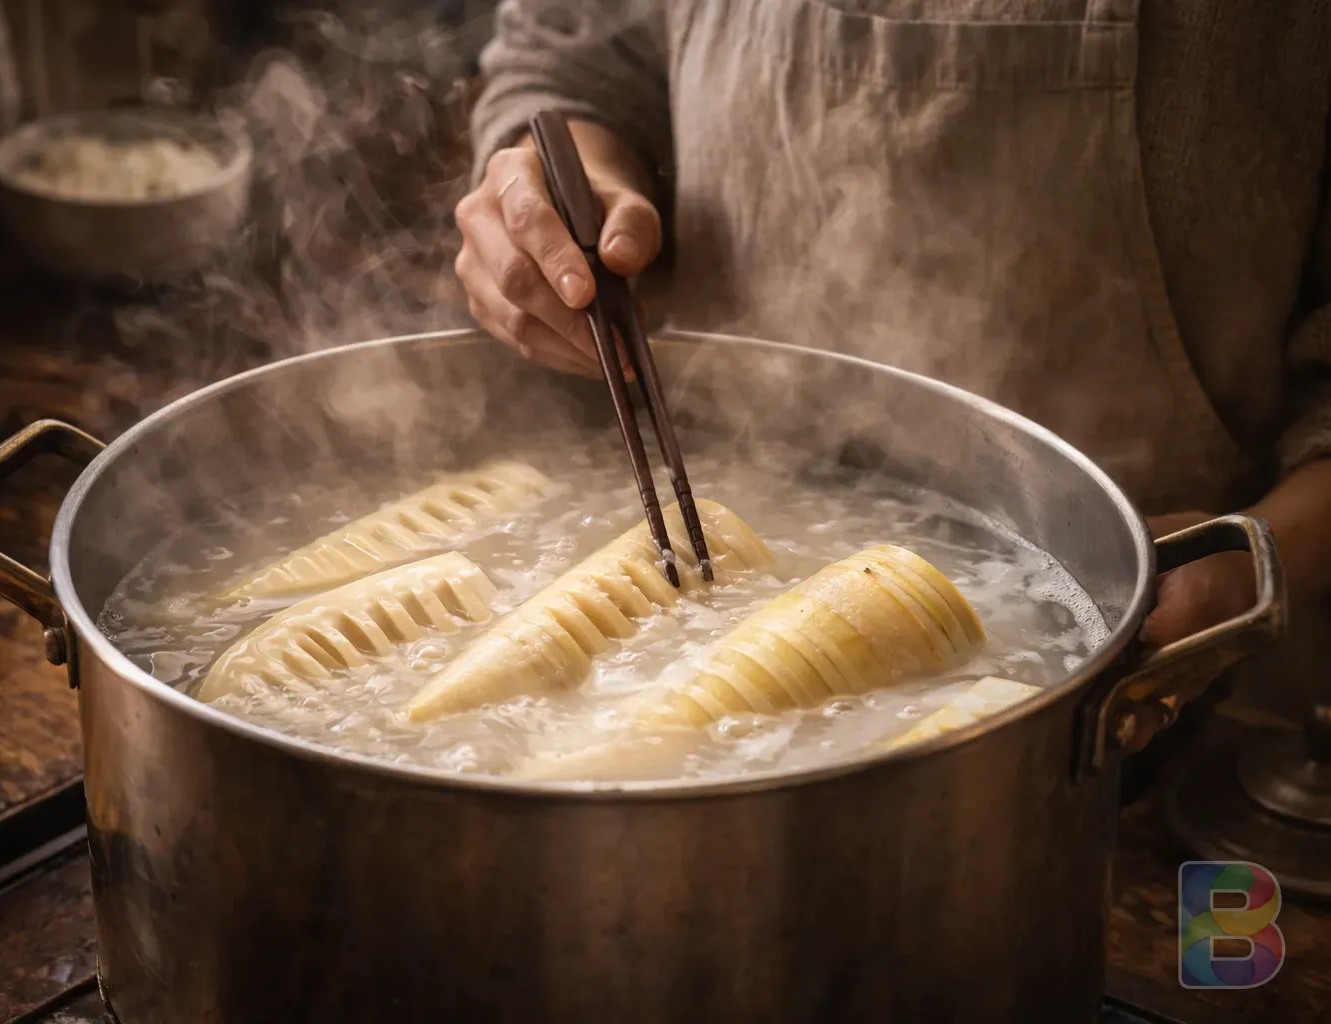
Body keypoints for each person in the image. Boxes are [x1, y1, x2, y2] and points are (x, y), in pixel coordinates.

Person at [453, 1, 1331, 730]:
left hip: (1180, 704)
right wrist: (568, 182)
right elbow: (569, 57)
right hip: (711, 484)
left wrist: (1258, 556)